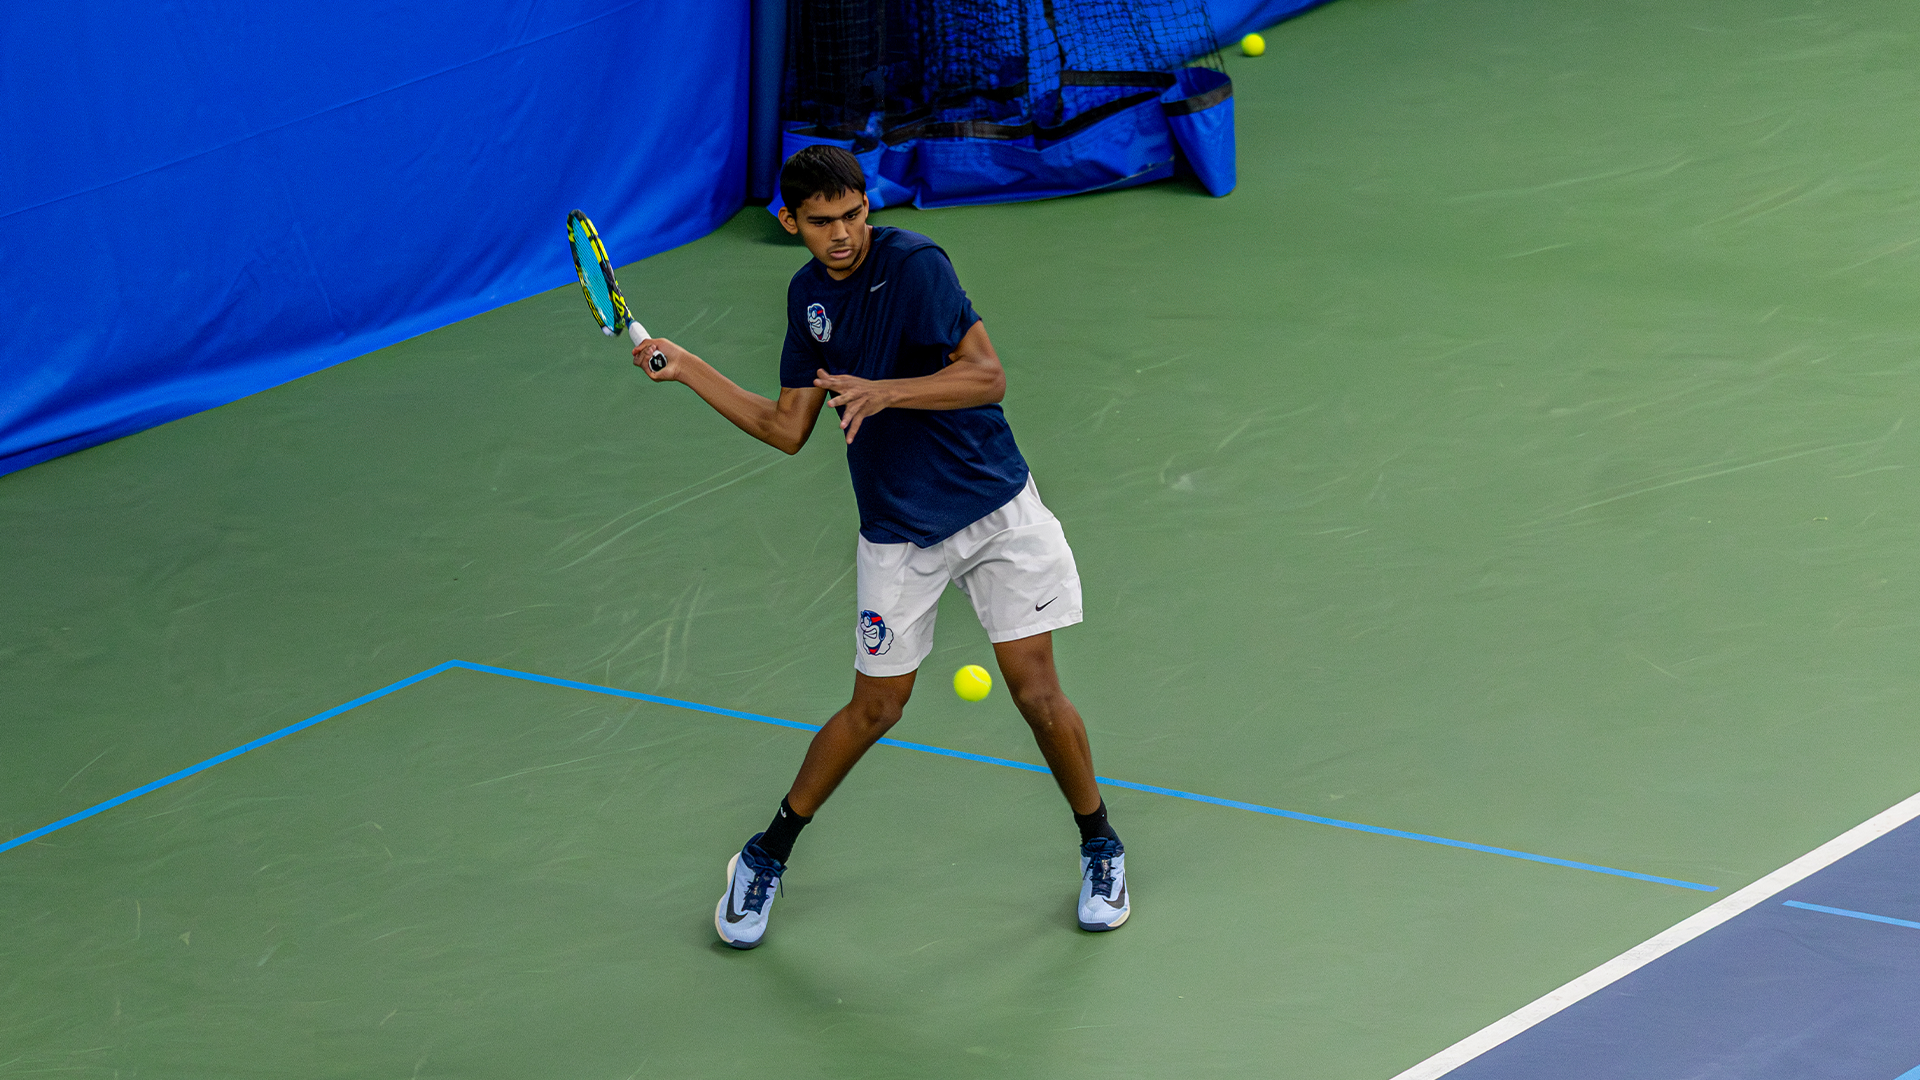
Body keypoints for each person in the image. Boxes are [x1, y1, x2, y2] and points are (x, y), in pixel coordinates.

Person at [632, 145, 1127, 949]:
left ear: (868, 205)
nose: (842, 234)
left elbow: (988, 376)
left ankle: (1100, 844)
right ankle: (764, 856)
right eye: (822, 222)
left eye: (854, 214)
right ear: (790, 222)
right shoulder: (806, 300)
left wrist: (886, 391)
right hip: (898, 529)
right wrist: (688, 368)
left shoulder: (916, 264)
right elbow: (785, 428)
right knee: (876, 707)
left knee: (1035, 690)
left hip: (995, 510)